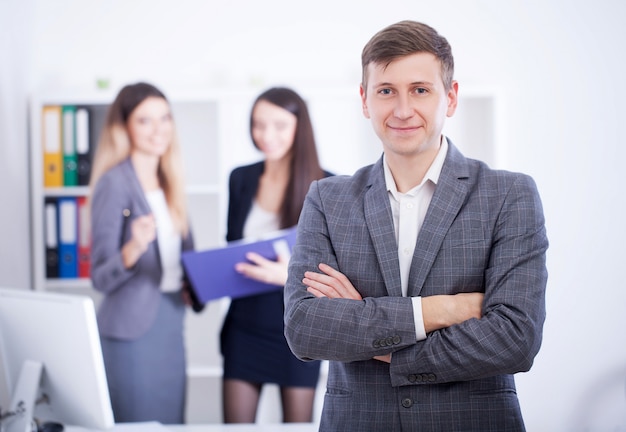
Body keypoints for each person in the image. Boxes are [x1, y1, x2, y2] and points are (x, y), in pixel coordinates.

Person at [284, 20, 549, 431]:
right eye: (386, 91)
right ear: (365, 100)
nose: (403, 110)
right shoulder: (328, 199)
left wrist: (372, 332)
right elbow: (305, 329)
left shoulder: (508, 195)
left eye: (420, 90)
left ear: (451, 97)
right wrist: (441, 310)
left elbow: (515, 339)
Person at [220, 87, 332, 424]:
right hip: (244, 323)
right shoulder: (241, 179)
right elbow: (231, 245)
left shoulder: (328, 186)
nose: (267, 135)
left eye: (279, 126)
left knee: (297, 427)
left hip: (296, 327)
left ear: (300, 128)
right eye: (259, 125)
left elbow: (335, 270)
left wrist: (286, 275)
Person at [89, 82, 197, 424]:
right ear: (124, 127)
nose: (158, 129)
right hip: (130, 329)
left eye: (164, 118)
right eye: (145, 120)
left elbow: (183, 259)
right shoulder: (114, 183)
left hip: (170, 319)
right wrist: (133, 247)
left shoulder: (171, 181)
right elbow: (100, 276)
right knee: (137, 423)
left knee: (170, 421)